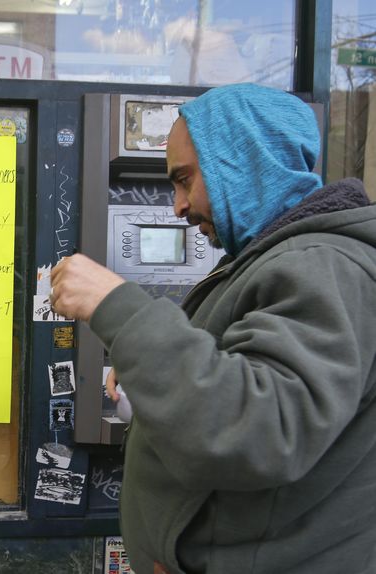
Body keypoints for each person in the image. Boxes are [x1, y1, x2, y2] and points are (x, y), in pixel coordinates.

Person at [50, 83, 376, 574]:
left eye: (184, 179)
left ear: (241, 165)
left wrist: (118, 308)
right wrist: (147, 369)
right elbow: (237, 381)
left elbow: (263, 430)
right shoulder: (275, 258)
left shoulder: (322, 265)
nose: (178, 207)